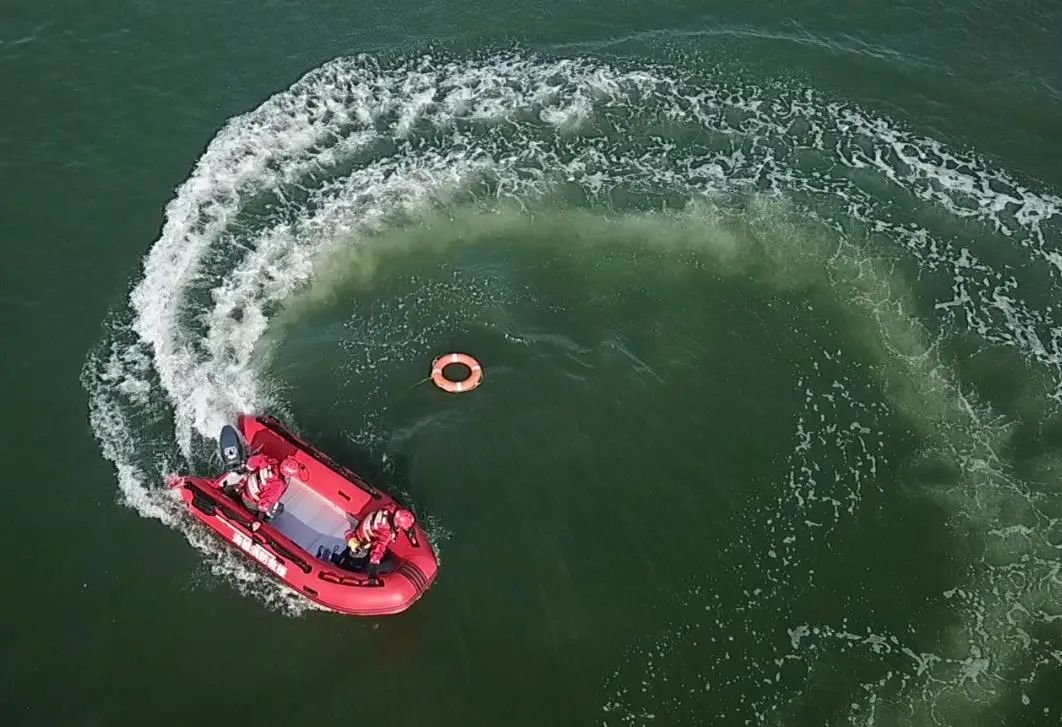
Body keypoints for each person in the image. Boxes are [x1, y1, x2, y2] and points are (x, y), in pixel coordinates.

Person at [217, 454, 297, 527]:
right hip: (250, 502)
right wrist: (265, 514)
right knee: (277, 508)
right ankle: (248, 523)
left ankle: (224, 493)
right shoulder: (278, 484)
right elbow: (263, 504)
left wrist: (248, 468)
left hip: (244, 489)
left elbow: (255, 460)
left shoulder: (271, 463)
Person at [343, 506, 416, 583]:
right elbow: (379, 548)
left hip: (361, 531)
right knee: (358, 559)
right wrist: (373, 568)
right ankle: (351, 566)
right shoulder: (386, 533)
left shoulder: (390, 508)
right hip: (362, 544)